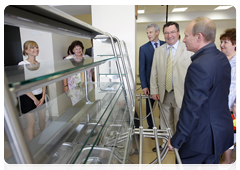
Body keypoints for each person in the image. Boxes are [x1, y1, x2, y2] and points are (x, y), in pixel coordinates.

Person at [167, 17, 234, 170]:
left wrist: (177, 139)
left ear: (199, 37)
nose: (183, 40)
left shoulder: (199, 65)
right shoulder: (221, 58)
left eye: (186, 35)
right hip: (219, 134)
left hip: (201, 137)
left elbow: (191, 108)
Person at [150, 22, 192, 152]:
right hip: (164, 92)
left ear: (178, 33)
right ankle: (166, 144)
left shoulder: (188, 49)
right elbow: (154, 71)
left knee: (180, 120)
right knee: (165, 120)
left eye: (172, 32)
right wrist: (154, 90)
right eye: (167, 33)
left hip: (182, 93)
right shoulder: (159, 51)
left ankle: (179, 144)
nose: (169, 35)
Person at [139, 23, 165, 130]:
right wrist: (144, 86)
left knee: (163, 108)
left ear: (157, 32)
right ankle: (151, 127)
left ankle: (162, 126)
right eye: (147, 33)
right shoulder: (144, 48)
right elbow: (142, 69)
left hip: (164, 84)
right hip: (150, 85)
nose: (148, 35)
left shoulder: (165, 45)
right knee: (149, 108)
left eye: (151, 32)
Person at [218, 28, 238, 170]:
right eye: (221, 42)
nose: (222, 45)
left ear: (236, 43)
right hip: (219, 103)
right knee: (222, 132)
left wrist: (237, 104)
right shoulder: (220, 59)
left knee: (230, 132)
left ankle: (228, 160)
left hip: (234, 106)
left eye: (226, 42)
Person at [18, 40, 46, 141]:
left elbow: (44, 82)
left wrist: (42, 97)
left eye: (36, 47)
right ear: (26, 51)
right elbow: (22, 85)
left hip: (40, 96)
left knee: (42, 118)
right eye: (32, 48)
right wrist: (34, 99)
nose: (36, 49)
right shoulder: (22, 64)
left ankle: (43, 140)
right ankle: (32, 146)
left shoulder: (40, 64)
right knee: (31, 123)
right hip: (27, 96)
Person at [63, 40, 93, 105]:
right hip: (74, 87)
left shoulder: (88, 58)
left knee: (87, 104)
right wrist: (65, 86)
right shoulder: (68, 59)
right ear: (73, 50)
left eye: (80, 48)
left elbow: (92, 72)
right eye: (76, 49)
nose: (78, 50)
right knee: (77, 106)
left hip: (87, 86)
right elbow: (65, 74)